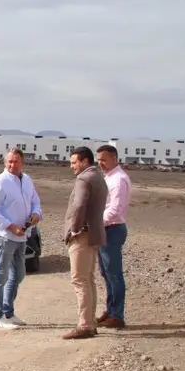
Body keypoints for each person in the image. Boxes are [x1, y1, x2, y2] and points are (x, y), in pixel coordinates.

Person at [0, 147, 43, 331]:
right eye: (9, 161)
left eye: (15, 161)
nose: (12, 164)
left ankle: (9, 312)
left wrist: (35, 214)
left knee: (18, 274)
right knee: (0, 274)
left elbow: (35, 202)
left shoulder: (27, 180)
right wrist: (11, 226)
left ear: (22, 163)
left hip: (22, 235)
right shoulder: (0, 182)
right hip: (5, 236)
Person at [62, 146, 109, 340]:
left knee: (80, 279)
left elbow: (79, 205)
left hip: (83, 235)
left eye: (74, 162)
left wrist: (74, 228)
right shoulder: (99, 178)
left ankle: (85, 325)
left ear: (85, 161)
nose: (72, 166)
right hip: (94, 234)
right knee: (88, 279)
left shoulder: (84, 179)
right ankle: (90, 322)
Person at [96, 144, 131, 328]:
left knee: (114, 274)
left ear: (114, 159)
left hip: (113, 229)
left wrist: (95, 223)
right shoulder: (108, 178)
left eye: (104, 159)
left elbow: (115, 210)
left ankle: (117, 315)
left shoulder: (118, 180)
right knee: (106, 273)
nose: (100, 163)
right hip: (105, 229)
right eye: (99, 159)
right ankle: (110, 310)